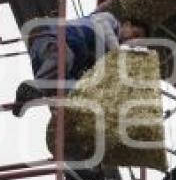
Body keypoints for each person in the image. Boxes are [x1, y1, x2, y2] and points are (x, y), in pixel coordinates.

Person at [12, 11, 149, 117]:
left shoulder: (104, 57)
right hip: (54, 38)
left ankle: (26, 98)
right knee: (64, 57)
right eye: (135, 34)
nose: (132, 40)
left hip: (50, 60)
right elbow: (104, 28)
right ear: (127, 24)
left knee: (73, 90)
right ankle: (35, 87)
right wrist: (118, 54)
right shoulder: (110, 20)